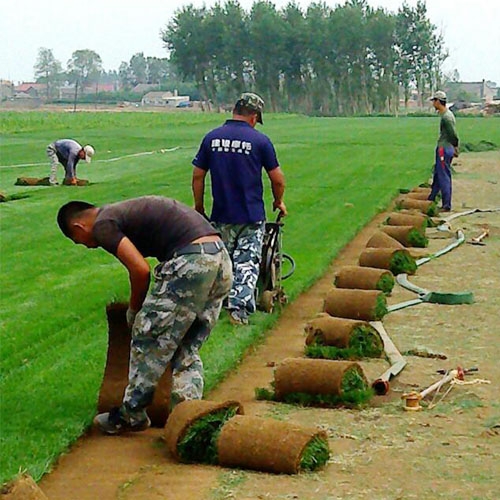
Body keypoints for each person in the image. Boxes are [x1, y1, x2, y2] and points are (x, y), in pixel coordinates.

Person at [57, 195, 232, 434]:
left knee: (147, 335)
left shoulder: (102, 225)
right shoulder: (119, 212)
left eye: (79, 241)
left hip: (192, 261)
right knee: (185, 346)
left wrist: (134, 309)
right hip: (220, 258)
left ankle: (131, 415)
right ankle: (188, 419)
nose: (86, 245)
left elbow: (140, 270)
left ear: (78, 227)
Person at [192, 92, 287, 326]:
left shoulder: (212, 138)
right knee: (246, 261)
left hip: (222, 214)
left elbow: (198, 175)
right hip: (251, 215)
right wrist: (278, 201)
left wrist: (199, 206)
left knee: (222, 261)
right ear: (254, 116)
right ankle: (239, 310)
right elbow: (277, 179)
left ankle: (212, 306)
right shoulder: (260, 141)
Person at [428, 91, 459, 212]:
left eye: (434, 101)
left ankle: (446, 205)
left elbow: (453, 134)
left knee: (443, 175)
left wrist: (455, 146)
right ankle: (431, 198)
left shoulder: (447, 117)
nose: (433, 103)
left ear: (438, 101)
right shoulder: (447, 114)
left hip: (444, 149)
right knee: (438, 173)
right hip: (445, 147)